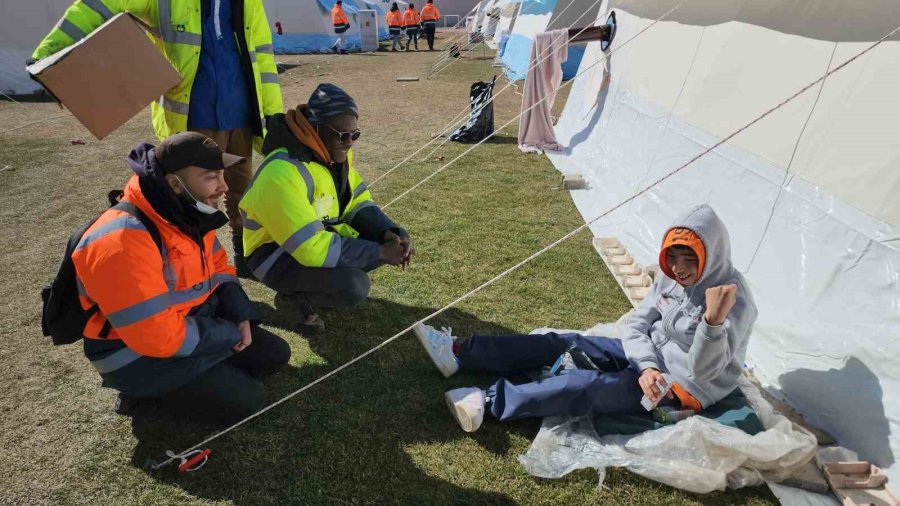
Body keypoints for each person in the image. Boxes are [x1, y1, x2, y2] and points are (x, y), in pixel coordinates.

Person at [415, 205, 757, 432]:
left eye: (690, 260)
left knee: (587, 387)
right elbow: (639, 324)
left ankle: (487, 402)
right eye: (673, 256)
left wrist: (712, 323)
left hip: (682, 385)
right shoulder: (670, 277)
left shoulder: (733, 298)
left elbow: (703, 371)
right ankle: (460, 351)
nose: (679, 269)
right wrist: (646, 364)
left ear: (711, 256)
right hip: (648, 360)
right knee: (564, 342)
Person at [31, 0, 284, 279]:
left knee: (242, 192)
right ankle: (197, 265)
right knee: (189, 200)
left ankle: (243, 256)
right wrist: (49, 51)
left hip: (242, 113)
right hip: (193, 116)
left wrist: (271, 114)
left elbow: (262, 56)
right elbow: (98, 4)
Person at [72, 132, 291, 425]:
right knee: (248, 400)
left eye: (222, 175)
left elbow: (220, 270)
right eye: (211, 177)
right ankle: (139, 394)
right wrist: (227, 333)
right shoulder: (123, 241)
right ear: (175, 184)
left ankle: (204, 374)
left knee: (275, 356)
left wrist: (241, 316)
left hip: (189, 324)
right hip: (133, 354)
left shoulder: (188, 212)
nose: (224, 187)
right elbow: (157, 336)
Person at [239, 84, 414, 334]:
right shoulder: (281, 172)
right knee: (355, 285)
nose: (350, 143)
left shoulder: (333, 153)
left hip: (314, 238)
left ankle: (316, 288)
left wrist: (387, 232)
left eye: (356, 135)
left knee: (381, 245)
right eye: (343, 135)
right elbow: (309, 248)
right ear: (315, 128)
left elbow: (356, 201)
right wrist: (380, 252)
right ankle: (293, 299)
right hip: (273, 256)